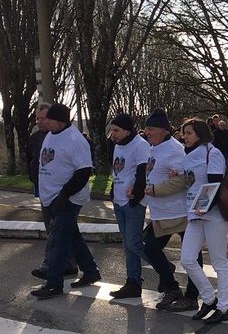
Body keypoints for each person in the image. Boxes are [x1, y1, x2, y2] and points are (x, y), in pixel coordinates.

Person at [30, 103, 101, 299]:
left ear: (60, 120)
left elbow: (84, 171)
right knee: (72, 237)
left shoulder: (75, 140)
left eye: (49, 119)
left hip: (68, 198)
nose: (45, 122)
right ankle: (91, 271)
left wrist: (65, 194)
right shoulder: (51, 135)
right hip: (50, 196)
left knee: (57, 239)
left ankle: (53, 284)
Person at [142, 108, 202, 312]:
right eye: (146, 129)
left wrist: (157, 190)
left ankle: (192, 297)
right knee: (147, 248)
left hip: (181, 211)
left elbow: (184, 178)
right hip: (161, 212)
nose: (147, 132)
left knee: (191, 256)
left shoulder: (174, 149)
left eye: (150, 129)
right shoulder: (154, 147)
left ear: (163, 130)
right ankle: (172, 287)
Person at [178, 118, 228, 324]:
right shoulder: (187, 154)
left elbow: (215, 185)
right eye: (184, 133)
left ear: (200, 133)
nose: (185, 137)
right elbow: (190, 181)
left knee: (219, 262)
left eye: (189, 133)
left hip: (213, 214)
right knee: (187, 259)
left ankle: (223, 306)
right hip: (195, 214)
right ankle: (209, 298)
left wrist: (202, 207)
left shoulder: (213, 153)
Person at [28, 103, 79, 280]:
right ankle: (81, 266)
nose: (41, 121)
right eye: (38, 118)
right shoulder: (36, 137)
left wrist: (65, 192)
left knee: (57, 230)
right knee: (62, 231)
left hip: (61, 192)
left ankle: (51, 269)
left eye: (44, 118)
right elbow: (31, 160)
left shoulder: (65, 137)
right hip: (43, 189)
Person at [108, 113, 151, 299]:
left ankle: (163, 265)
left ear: (127, 130)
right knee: (128, 245)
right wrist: (112, 191)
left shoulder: (140, 145)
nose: (113, 134)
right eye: (111, 130)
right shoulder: (117, 146)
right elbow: (118, 171)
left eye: (116, 130)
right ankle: (133, 282)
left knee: (134, 243)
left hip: (133, 202)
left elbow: (143, 172)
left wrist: (137, 195)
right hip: (119, 201)